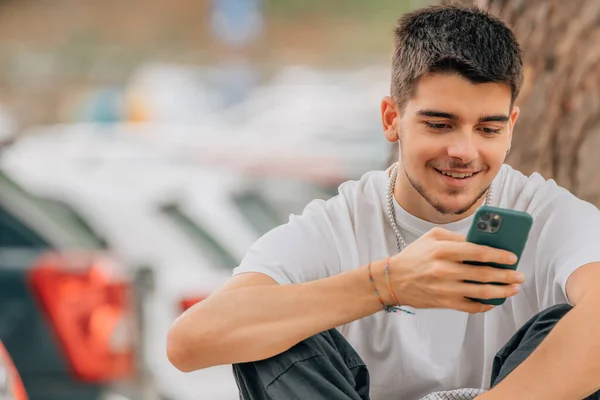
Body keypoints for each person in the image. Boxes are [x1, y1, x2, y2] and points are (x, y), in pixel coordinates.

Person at [166, 4, 600, 400]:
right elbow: (189, 342)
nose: (464, 150)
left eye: (488, 129)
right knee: (273, 332)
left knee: (569, 326)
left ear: (511, 127)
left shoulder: (545, 212)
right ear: (392, 120)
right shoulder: (341, 224)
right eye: (440, 124)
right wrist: (387, 284)